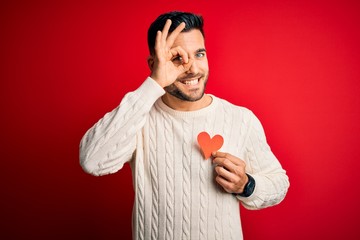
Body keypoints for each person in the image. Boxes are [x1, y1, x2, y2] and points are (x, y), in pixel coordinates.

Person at [79, 11, 289, 240]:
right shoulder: (139, 117)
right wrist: (155, 83)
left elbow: (279, 184)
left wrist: (246, 185)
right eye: (177, 58)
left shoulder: (241, 118)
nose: (192, 68)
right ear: (154, 64)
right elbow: (92, 161)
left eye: (199, 54)